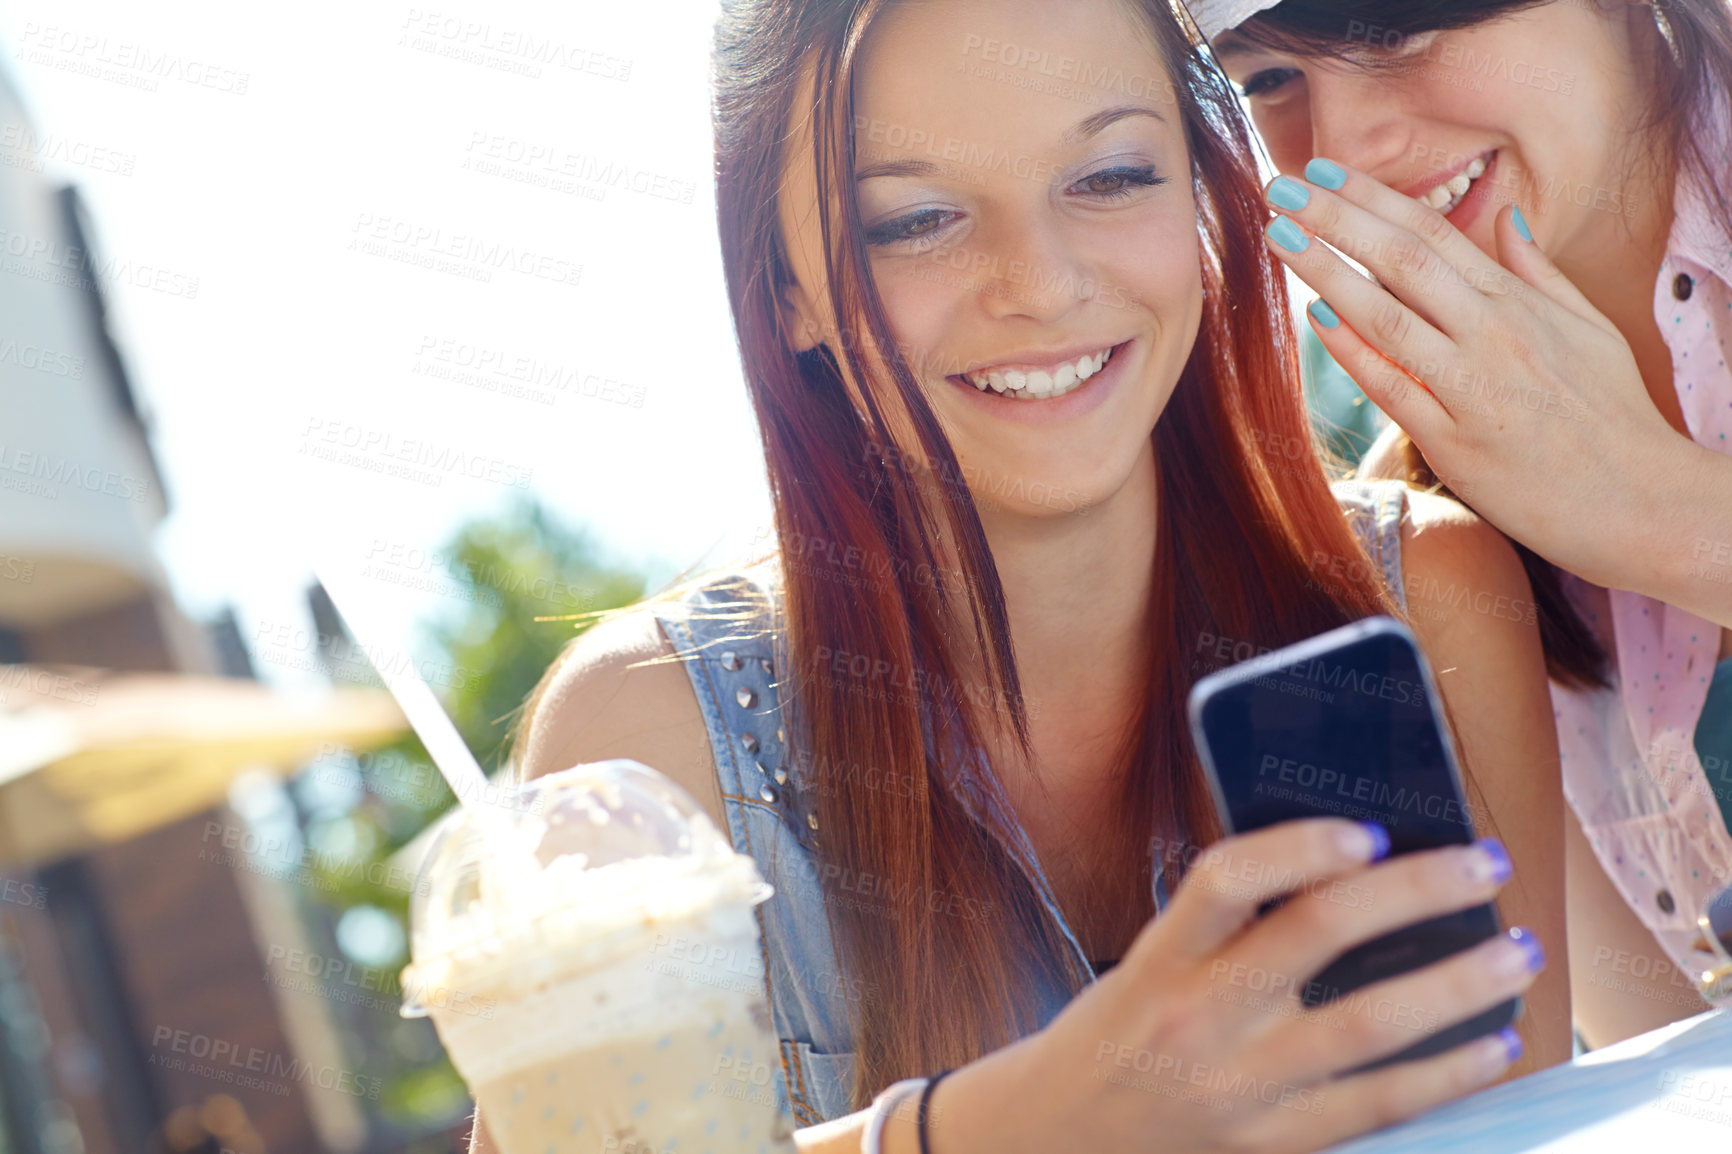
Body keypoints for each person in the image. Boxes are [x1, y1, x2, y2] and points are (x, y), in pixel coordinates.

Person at [480, 0, 1570, 1149]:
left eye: (1109, 177)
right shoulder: (646, 748)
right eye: (917, 219)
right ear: (785, 286)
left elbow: (1542, 1122)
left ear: (1204, 196)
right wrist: (983, 1128)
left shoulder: (1424, 598)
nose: (1039, 284)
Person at [1199, 0, 1732, 1047]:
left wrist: (1651, 511)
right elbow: (1651, 1052)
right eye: (1268, 81)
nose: (1345, 147)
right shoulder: (1437, 527)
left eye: (1391, 24)